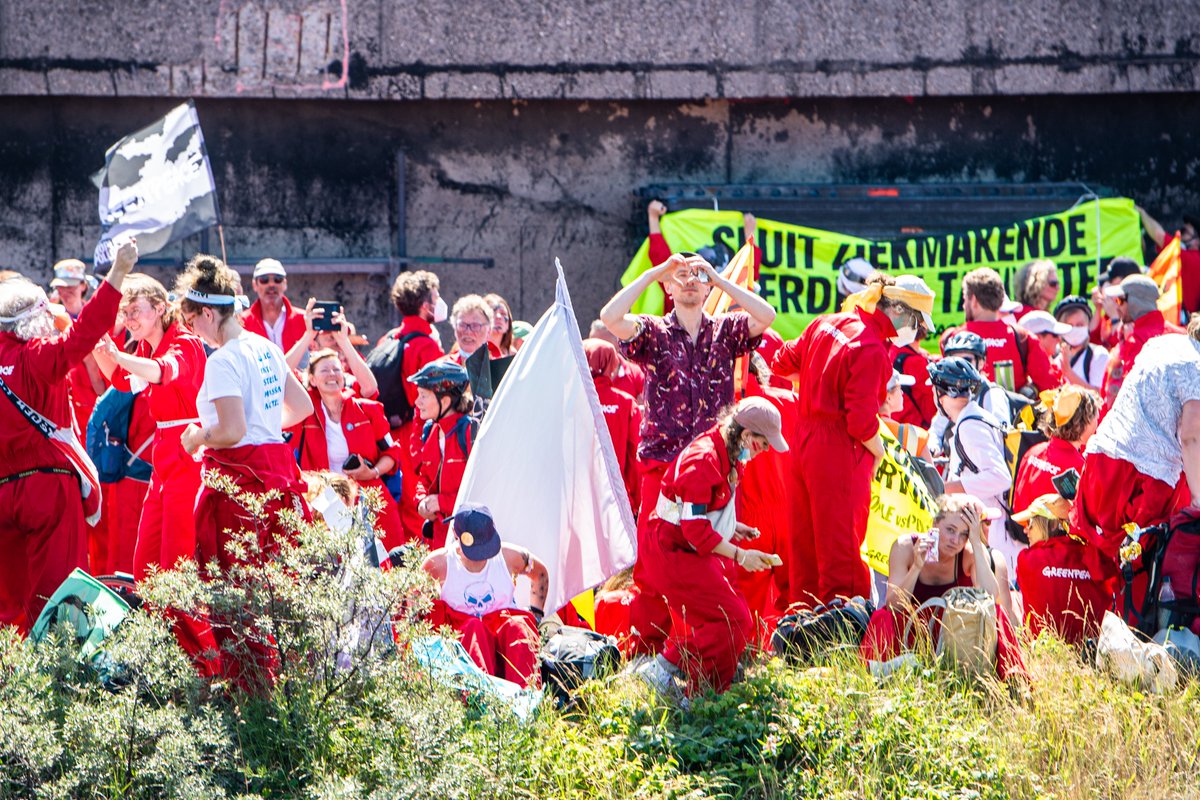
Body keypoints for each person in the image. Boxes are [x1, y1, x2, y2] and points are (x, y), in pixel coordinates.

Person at [601, 250, 775, 655]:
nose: (690, 281)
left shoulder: (726, 330)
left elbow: (765, 315)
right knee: (654, 564)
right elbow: (611, 317)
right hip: (662, 467)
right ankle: (647, 653)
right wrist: (655, 273)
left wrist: (719, 278)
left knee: (715, 558)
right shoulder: (653, 332)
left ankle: (714, 648)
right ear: (668, 286)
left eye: (697, 275)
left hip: (715, 467)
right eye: (681, 275)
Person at [177, 255, 314, 690]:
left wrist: (197, 437)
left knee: (236, 593)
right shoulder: (266, 347)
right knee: (280, 588)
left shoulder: (223, 360)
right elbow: (302, 408)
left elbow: (232, 431)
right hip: (278, 475)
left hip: (239, 484)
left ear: (209, 313)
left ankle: (251, 695)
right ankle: (289, 687)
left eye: (192, 321)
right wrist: (264, 425)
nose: (193, 331)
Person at [0, 240, 138, 634]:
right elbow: (84, 333)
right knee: (59, 598)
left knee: (8, 610)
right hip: (47, 488)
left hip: (3, 491)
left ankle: (13, 671)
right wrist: (117, 274)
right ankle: (57, 670)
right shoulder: (36, 356)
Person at [772, 273, 932, 607]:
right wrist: (881, 453)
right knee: (841, 551)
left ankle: (802, 621)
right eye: (917, 324)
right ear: (898, 310)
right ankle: (841, 629)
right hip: (839, 449)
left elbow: (782, 362)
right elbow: (861, 423)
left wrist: (819, 384)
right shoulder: (871, 347)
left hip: (804, 439)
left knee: (805, 547)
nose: (917, 333)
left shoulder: (827, 321)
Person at [635, 398, 787, 699]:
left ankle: (673, 675)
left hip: (682, 545)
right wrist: (741, 556)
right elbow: (694, 529)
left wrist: (732, 527)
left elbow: (698, 513)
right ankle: (691, 693)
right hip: (670, 550)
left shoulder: (726, 451)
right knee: (733, 620)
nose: (765, 452)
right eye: (763, 445)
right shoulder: (704, 460)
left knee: (734, 621)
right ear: (746, 435)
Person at [90, 274, 208, 583]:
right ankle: (154, 612)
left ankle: (180, 615)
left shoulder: (186, 341)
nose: (129, 319)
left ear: (159, 308)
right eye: (125, 312)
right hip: (164, 453)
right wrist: (99, 348)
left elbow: (163, 372)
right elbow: (123, 382)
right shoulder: (146, 346)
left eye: (135, 310)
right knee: (145, 558)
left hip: (188, 450)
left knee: (177, 555)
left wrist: (118, 355)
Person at [1070, 319, 1200, 576]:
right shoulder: (1196, 365)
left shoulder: (1162, 344)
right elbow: (1191, 438)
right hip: (1144, 475)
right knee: (1137, 573)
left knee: (1101, 565)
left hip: (1103, 458)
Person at [860, 494, 1026, 680]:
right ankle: (873, 671)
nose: (956, 540)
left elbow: (991, 598)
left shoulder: (969, 553)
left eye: (963, 534)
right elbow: (893, 606)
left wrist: (976, 542)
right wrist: (916, 567)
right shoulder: (905, 546)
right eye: (950, 530)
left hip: (954, 630)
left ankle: (1013, 677)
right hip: (912, 628)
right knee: (882, 616)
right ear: (934, 524)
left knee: (997, 612)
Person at [422, 504, 547, 687]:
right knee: (474, 629)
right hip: (465, 635)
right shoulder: (439, 563)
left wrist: (536, 614)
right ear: (456, 535)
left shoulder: (508, 556)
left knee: (519, 627)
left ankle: (526, 694)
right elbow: (413, 600)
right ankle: (480, 695)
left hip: (503, 629)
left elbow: (540, 573)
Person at [293, 349, 406, 548]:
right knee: (332, 560)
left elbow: (392, 454)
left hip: (368, 497)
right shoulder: (304, 413)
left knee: (384, 556)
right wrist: (307, 335)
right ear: (312, 379)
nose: (331, 374)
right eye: (324, 370)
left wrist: (372, 472)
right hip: (323, 500)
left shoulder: (367, 409)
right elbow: (281, 374)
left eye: (336, 369)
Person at [930, 357, 1018, 572]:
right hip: (991, 528)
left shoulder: (970, 426)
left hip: (993, 531)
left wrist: (946, 489)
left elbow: (1000, 477)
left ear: (942, 394)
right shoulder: (973, 418)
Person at [379, 270, 447, 541]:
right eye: (436, 297)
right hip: (416, 435)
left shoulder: (389, 338)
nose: (439, 302)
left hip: (388, 435)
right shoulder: (426, 346)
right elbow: (438, 398)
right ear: (425, 305)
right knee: (416, 510)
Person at [1013, 493, 1116, 645]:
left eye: (1030, 523)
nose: (1025, 530)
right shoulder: (1094, 556)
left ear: (1053, 525)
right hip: (1091, 650)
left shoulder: (1027, 559)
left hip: (1043, 652)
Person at [941, 267, 1062, 395]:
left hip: (968, 408)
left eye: (965, 299)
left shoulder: (952, 339)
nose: (963, 305)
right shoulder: (1022, 338)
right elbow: (1051, 387)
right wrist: (1032, 390)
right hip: (1013, 407)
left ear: (974, 301)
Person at [409, 361, 477, 550]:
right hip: (439, 537)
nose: (417, 402)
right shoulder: (430, 430)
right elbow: (424, 477)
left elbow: (482, 488)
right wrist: (421, 501)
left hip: (469, 540)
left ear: (445, 401)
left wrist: (441, 502)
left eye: (423, 396)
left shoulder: (469, 432)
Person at [1011, 385, 1099, 516]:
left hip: (1025, 527)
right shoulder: (1080, 468)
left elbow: (1017, 506)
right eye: (1095, 417)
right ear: (1082, 423)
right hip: (1055, 530)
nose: (1097, 422)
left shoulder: (1033, 452)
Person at [1101, 274, 1185, 408]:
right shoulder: (1181, 334)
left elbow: (1129, 397)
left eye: (1120, 300)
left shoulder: (1137, 341)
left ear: (1135, 302)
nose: (1117, 307)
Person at [50, 258, 108, 444]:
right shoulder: (47, 319)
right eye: (61, 287)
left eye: (71, 286)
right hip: (59, 405)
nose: (66, 292)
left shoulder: (95, 318)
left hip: (91, 402)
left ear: (83, 286)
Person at [583, 339, 641, 510]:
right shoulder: (626, 403)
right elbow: (634, 456)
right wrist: (636, 501)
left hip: (578, 500)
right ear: (612, 365)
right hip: (614, 501)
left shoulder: (571, 401)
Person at [285, 300, 378, 398]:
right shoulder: (305, 382)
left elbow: (369, 389)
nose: (337, 344)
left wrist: (344, 341)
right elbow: (279, 374)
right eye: (331, 338)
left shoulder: (348, 379)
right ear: (313, 346)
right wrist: (309, 335)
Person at [887, 275, 939, 427]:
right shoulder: (917, 363)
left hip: (895, 430)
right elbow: (932, 411)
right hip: (915, 435)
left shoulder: (890, 349)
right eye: (920, 321)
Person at [1138, 205, 1200, 313]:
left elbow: (1159, 236)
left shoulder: (1192, 259)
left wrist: (1141, 212)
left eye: (1184, 231)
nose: (1180, 234)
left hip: (1181, 318)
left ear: (1197, 241)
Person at [241, 258, 307, 352]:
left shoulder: (305, 320)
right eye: (264, 280)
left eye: (277, 279)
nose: (271, 284)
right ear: (255, 285)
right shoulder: (242, 323)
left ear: (285, 284)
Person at [1053, 295, 1109, 390]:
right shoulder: (1055, 357)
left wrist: (1069, 373)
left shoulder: (1098, 354)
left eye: (1080, 325)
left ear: (1088, 325)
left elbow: (1098, 395)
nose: (1075, 329)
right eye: (1070, 325)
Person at [1090, 256, 1142, 349]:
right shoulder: (1109, 314)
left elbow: (1122, 349)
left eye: (1111, 282)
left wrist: (1115, 319)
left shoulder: (1139, 315)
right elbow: (1091, 342)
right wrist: (1098, 309)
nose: (1106, 286)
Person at [447, 295, 502, 364]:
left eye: (475, 326)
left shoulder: (503, 368)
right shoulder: (441, 368)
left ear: (488, 331)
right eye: (462, 325)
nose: (468, 332)